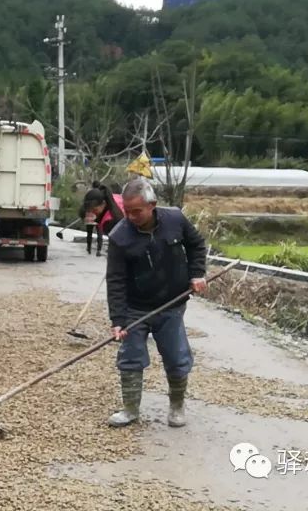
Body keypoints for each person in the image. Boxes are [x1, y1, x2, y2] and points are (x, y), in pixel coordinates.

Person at [104, 178, 207, 429]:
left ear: (153, 205)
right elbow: (115, 280)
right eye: (127, 211)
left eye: (136, 211)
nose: (130, 216)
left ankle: (177, 406)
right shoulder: (120, 236)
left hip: (171, 304)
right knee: (130, 358)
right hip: (134, 308)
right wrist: (118, 320)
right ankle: (130, 409)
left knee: (176, 356)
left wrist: (197, 273)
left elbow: (197, 245)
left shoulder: (175, 220)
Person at [79, 181, 125, 257]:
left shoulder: (109, 221)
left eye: (95, 210)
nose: (93, 214)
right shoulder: (110, 197)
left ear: (103, 203)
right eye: (90, 211)